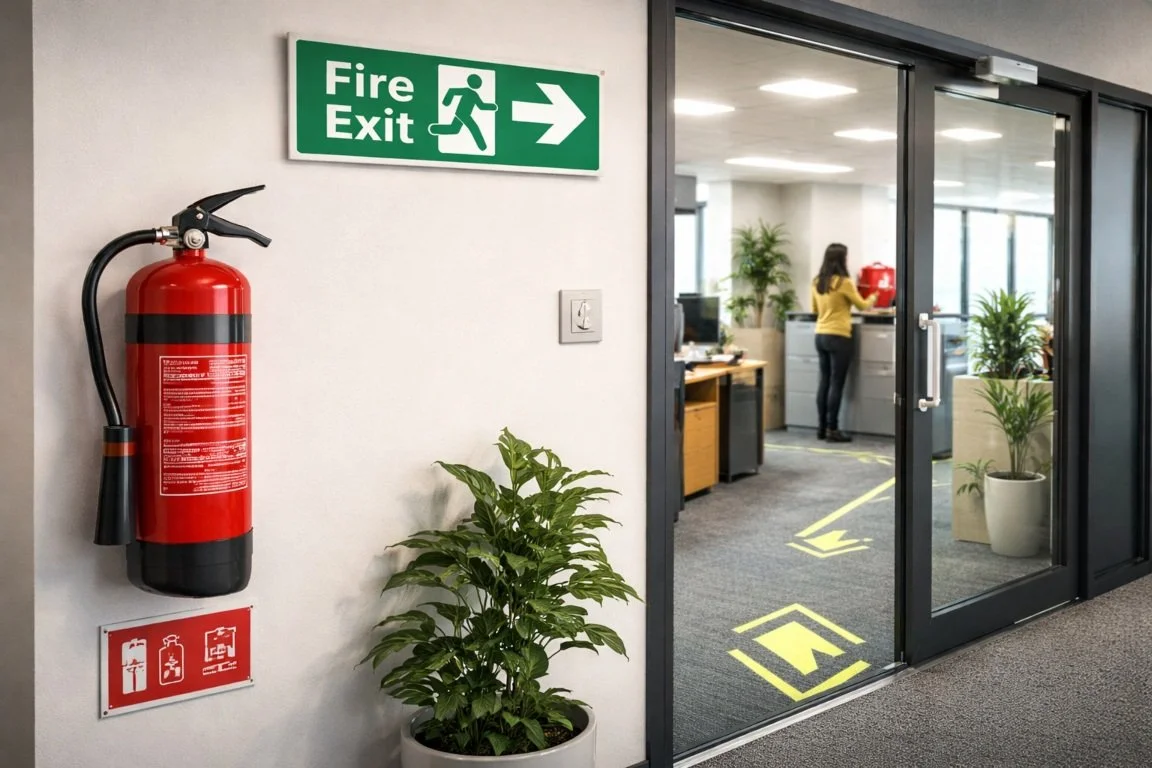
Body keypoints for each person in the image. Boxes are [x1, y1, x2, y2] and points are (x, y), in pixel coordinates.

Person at [810, 243, 876, 442]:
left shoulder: (816, 282)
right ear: (842, 259)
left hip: (820, 335)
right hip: (839, 336)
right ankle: (833, 430)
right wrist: (875, 295)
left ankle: (821, 429)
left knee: (825, 381)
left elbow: (814, 310)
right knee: (837, 384)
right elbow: (862, 305)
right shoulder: (844, 282)